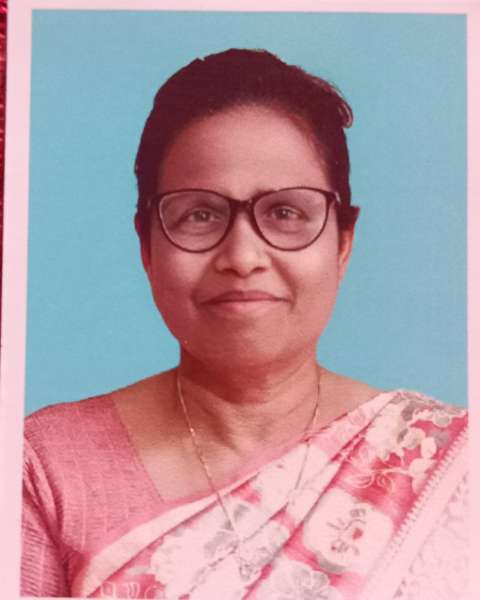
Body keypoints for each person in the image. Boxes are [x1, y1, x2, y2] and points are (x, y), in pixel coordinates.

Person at [21, 49, 468, 599]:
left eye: (285, 212)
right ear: (147, 247)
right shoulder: (44, 466)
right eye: (200, 214)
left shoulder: (449, 463)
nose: (242, 256)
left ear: (343, 244)